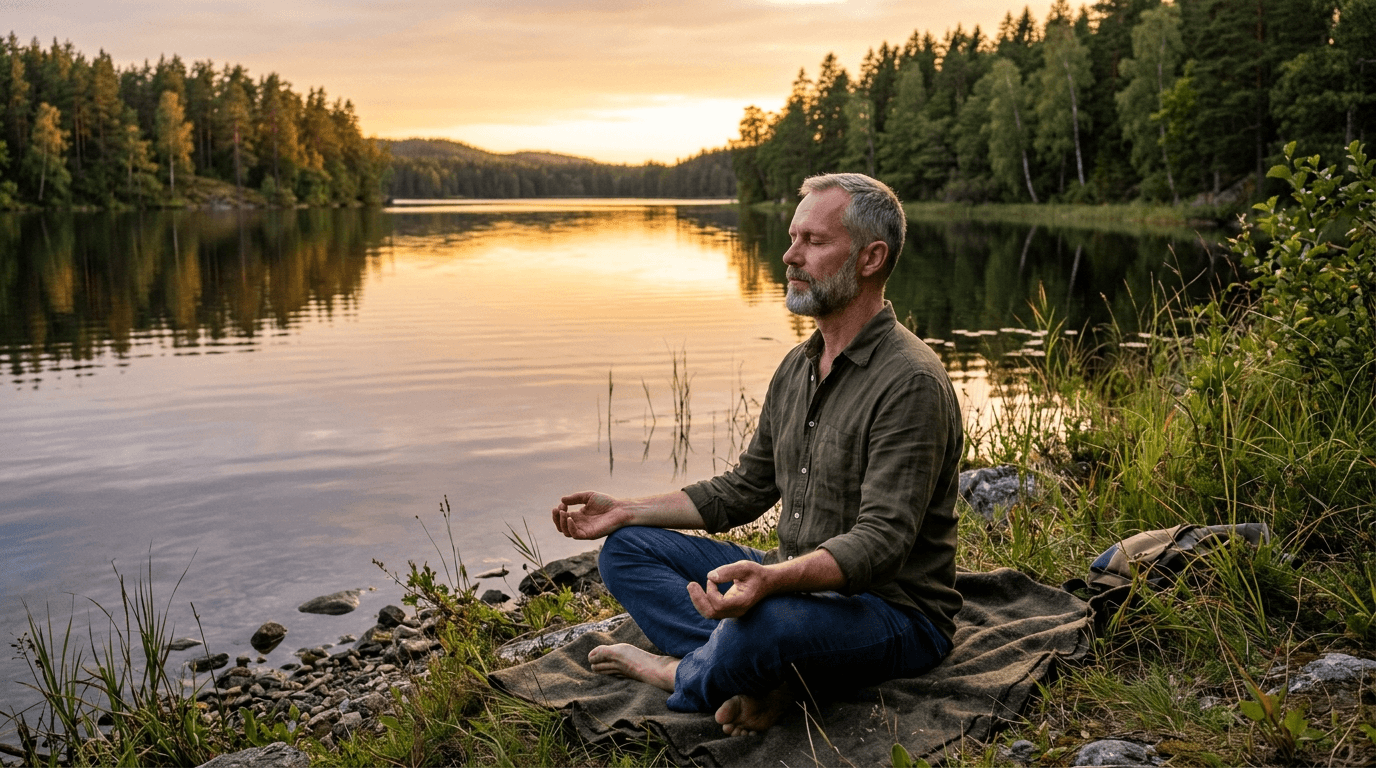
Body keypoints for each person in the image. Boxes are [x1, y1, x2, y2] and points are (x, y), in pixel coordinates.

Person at [551, 172, 963, 737]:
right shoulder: (798, 366)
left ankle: (685, 673)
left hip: (893, 614)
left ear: (870, 258)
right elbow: (746, 488)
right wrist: (627, 509)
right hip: (796, 584)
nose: (790, 256)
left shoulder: (910, 380)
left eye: (814, 242)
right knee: (626, 551)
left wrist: (772, 584)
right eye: (793, 238)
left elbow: (882, 544)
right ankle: (753, 670)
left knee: (766, 625)